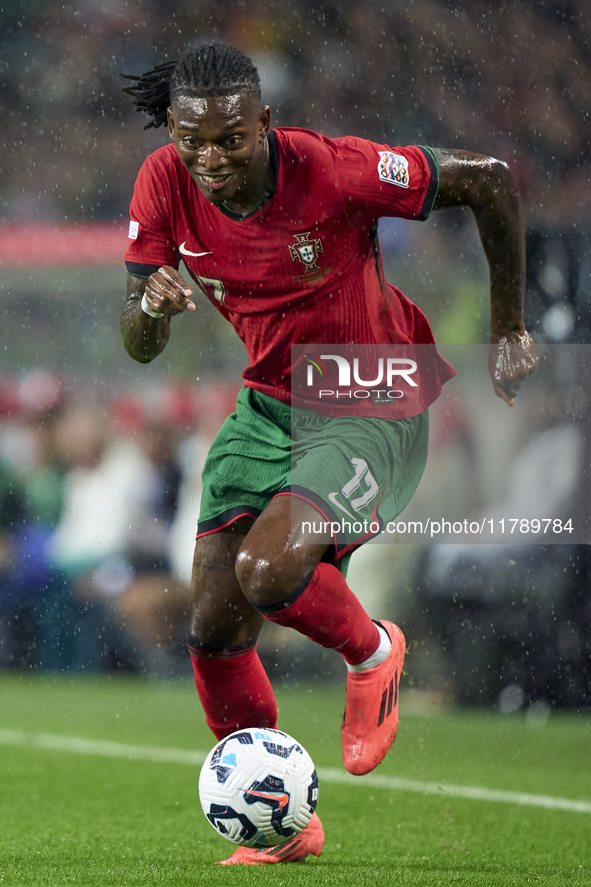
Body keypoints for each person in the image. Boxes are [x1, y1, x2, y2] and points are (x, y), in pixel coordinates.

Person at [120, 42, 537, 865]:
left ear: (264, 125)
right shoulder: (162, 182)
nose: (210, 158)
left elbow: (487, 178)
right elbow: (136, 343)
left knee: (268, 573)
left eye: (230, 139)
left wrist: (508, 323)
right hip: (267, 404)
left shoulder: (335, 171)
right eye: (193, 140)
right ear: (172, 130)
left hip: (368, 392)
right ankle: (286, 825)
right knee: (211, 624)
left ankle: (375, 649)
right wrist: (150, 306)